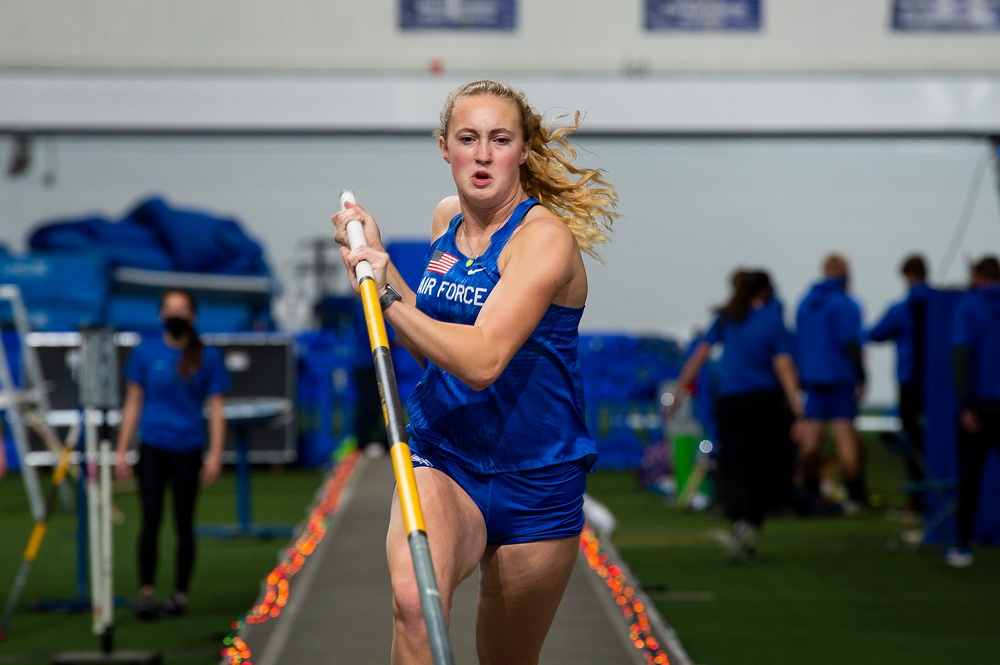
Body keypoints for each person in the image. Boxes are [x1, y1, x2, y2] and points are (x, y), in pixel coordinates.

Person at [330, 79, 617, 664]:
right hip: (447, 458)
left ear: (524, 151)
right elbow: (432, 348)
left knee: (505, 659)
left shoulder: (544, 241)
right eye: (468, 138)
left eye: (500, 139)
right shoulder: (446, 221)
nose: (483, 154)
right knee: (416, 603)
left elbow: (482, 360)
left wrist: (384, 293)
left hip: (538, 477)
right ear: (445, 147)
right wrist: (380, 272)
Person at [670, 269, 804, 563]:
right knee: (762, 466)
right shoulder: (773, 322)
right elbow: (783, 367)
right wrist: (799, 410)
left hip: (731, 402)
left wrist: (679, 390)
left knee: (735, 464)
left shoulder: (728, 317)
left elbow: (700, 355)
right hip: (765, 404)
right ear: (766, 291)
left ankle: (739, 520)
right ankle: (752, 523)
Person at [114, 289, 230, 619]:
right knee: (150, 520)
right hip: (152, 446)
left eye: (181, 310)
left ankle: (180, 593)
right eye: (169, 309)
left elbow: (216, 407)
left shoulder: (206, 356)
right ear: (160, 315)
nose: (175, 315)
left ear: (192, 316)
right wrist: (122, 450)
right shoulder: (145, 352)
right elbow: (133, 402)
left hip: (188, 447)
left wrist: (215, 454)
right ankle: (146, 591)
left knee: (183, 522)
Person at [794, 253, 868, 514]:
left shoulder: (805, 304)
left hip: (812, 379)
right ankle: (855, 494)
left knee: (811, 439)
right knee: (844, 436)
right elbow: (852, 343)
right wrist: (862, 375)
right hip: (840, 377)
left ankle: (808, 492)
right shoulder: (846, 304)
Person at [868, 254, 934, 518]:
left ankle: (916, 501)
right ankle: (937, 498)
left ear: (906, 276)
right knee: (936, 441)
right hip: (938, 388)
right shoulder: (940, 306)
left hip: (909, 384)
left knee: (912, 444)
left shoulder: (902, 308)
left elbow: (875, 333)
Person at [945, 255, 1000, 568]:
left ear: (978, 276)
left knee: (970, 478)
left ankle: (963, 545)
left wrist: (965, 404)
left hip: (979, 406)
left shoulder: (969, 307)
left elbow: (962, 357)